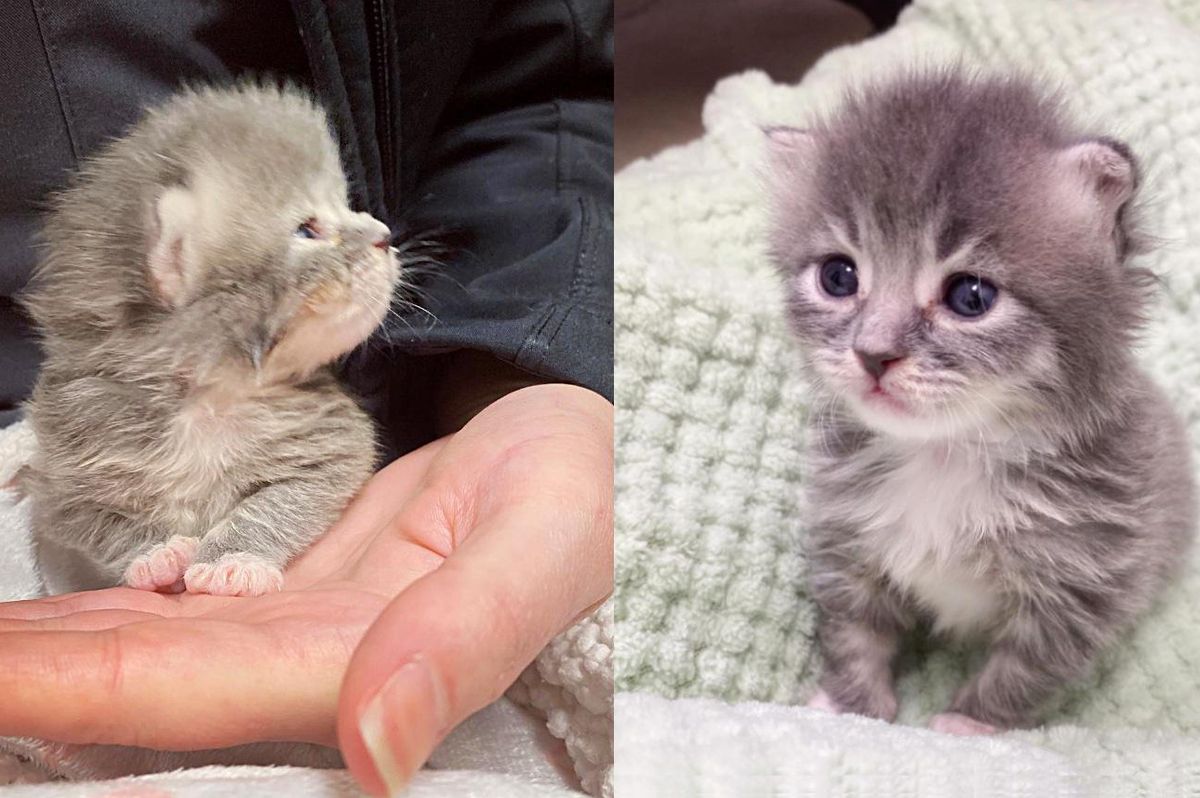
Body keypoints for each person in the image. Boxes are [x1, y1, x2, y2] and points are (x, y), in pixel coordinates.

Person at [0, 1, 613, 795]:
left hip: (412, 448)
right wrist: (132, 543)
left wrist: (532, 379)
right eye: (311, 231)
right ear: (175, 268)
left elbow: (545, 87)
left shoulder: (312, 412)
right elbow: (70, 503)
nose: (377, 233)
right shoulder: (85, 417)